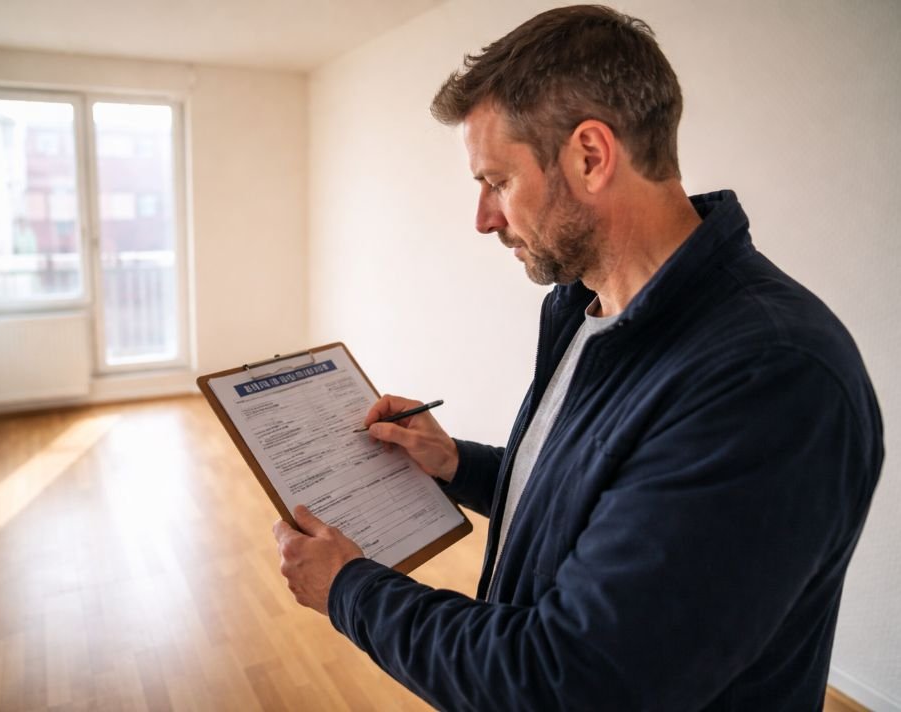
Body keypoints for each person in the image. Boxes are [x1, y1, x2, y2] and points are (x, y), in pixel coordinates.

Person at [272, 5, 883, 710]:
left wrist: (349, 589)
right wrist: (456, 465)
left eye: (497, 182)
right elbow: (599, 501)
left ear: (590, 156)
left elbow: (569, 683)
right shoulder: (580, 308)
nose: (484, 219)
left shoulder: (773, 379)